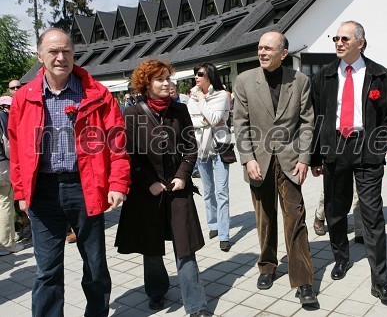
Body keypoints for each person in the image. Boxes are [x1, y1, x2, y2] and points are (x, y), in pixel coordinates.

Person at [8, 28, 130, 317]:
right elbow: (16, 149)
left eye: (66, 51)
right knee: (46, 270)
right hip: (43, 192)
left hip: (85, 187)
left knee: (95, 265)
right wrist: (22, 193)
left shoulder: (97, 94)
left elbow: (117, 143)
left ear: (74, 55)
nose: (60, 57)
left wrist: (118, 183)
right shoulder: (23, 98)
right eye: (53, 51)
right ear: (40, 56)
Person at [310, 20, 387, 301]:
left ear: (360, 42)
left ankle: (380, 280)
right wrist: (314, 155)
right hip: (334, 146)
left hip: (367, 147)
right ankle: (341, 258)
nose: (338, 43)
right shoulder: (323, 76)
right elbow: (316, 119)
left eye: (345, 39)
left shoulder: (380, 76)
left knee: (372, 215)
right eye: (335, 38)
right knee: (335, 210)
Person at [115, 59, 211, 317]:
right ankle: (156, 289)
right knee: (152, 245)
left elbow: (191, 147)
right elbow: (129, 154)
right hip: (148, 190)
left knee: (185, 246)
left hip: (178, 187)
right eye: (160, 79)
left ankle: (196, 305)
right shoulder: (133, 113)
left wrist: (182, 175)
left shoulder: (179, 110)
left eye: (168, 78)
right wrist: (149, 182)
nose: (167, 83)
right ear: (147, 84)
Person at [233, 31, 318, 306]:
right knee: (265, 218)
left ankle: (303, 281)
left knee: (295, 217)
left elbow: (307, 122)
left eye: (269, 48)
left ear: (283, 53)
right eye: (260, 48)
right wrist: (248, 159)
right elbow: (240, 124)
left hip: (290, 160)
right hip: (259, 160)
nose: (262, 52)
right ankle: (268, 265)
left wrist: (304, 158)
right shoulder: (245, 80)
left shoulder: (301, 80)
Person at [187, 62, 231, 252]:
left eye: (200, 74)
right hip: (201, 148)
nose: (196, 77)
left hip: (220, 147)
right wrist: (205, 118)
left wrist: (202, 104)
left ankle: (224, 234)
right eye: (195, 74)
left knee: (222, 191)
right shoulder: (192, 95)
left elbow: (215, 120)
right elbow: (190, 119)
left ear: (210, 76)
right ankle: (212, 224)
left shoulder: (221, 95)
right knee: (208, 190)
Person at [0, 95, 25, 256]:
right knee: (5, 204)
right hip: (2, 165)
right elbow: (8, 146)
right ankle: (7, 244)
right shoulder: (3, 118)